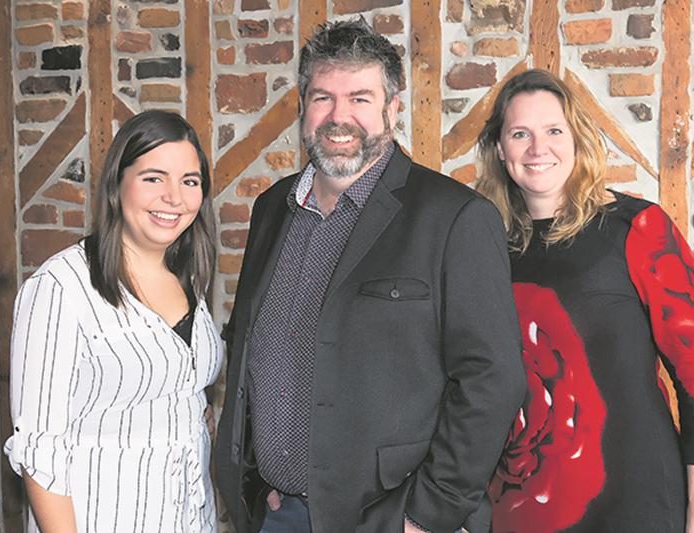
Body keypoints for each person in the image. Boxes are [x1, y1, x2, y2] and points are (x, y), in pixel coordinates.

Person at [215, 18, 525, 533]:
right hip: (277, 514)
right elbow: (254, 349)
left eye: (360, 98)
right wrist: (252, 476)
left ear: (392, 109)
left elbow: (493, 379)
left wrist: (426, 514)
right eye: (323, 98)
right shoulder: (272, 209)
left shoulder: (454, 218)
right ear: (303, 105)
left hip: (388, 518)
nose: (339, 116)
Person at [476, 69, 694, 533]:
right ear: (499, 148)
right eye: (520, 134)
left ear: (577, 139)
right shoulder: (483, 246)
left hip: (636, 498)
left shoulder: (638, 228)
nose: (538, 148)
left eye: (554, 131)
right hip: (521, 505)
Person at [4, 110, 222, 532]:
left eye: (190, 181)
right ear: (117, 186)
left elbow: (184, 394)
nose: (174, 197)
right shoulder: (61, 287)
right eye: (153, 178)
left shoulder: (190, 276)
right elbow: (40, 451)